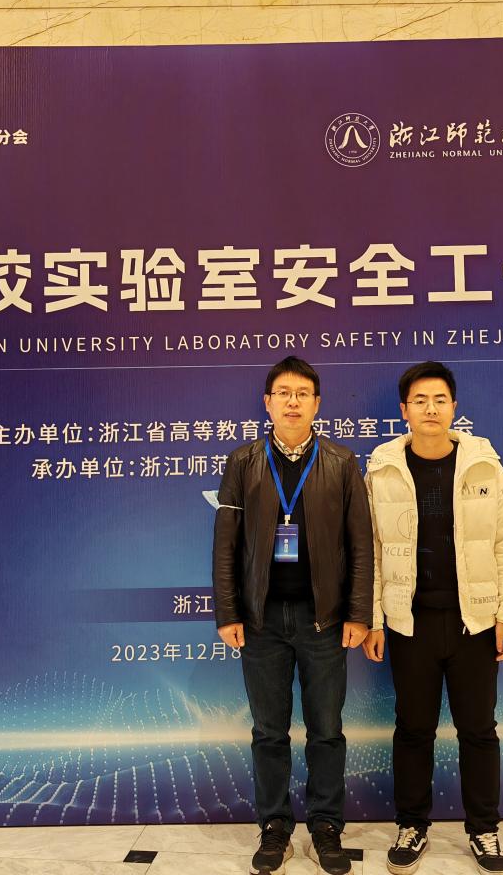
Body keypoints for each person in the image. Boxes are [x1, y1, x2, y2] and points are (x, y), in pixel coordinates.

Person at [361, 361, 503, 875]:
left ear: (454, 407)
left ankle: (484, 830)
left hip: (473, 623)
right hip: (409, 623)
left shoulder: (484, 465)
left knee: (478, 729)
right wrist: (373, 620)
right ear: (404, 410)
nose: (430, 409)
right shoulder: (383, 469)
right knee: (413, 729)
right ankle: (412, 825)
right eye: (420, 401)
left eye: (439, 400)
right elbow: (369, 550)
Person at [212, 356, 375, 875]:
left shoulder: (342, 462)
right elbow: (226, 545)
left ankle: (326, 826)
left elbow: (361, 544)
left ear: (317, 403)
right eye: (283, 392)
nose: (292, 401)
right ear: (267, 402)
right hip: (261, 622)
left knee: (326, 729)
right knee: (269, 731)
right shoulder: (242, 461)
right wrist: (228, 611)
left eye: (302, 393)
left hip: (323, 620)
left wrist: (358, 612)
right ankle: (275, 827)